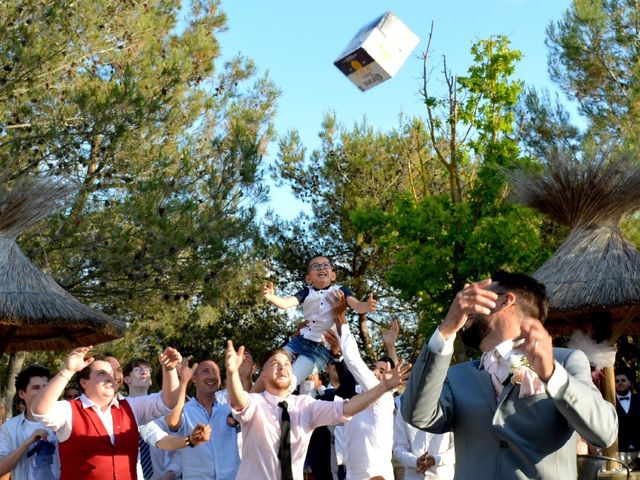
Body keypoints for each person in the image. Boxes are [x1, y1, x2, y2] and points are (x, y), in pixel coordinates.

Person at [401, 271, 618, 479]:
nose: (468, 306)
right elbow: (417, 415)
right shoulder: (457, 377)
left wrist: (552, 375)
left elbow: (604, 433)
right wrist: (445, 331)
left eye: (479, 296)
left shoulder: (565, 361)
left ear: (505, 301)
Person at [225, 338, 411, 480]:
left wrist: (383, 388)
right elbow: (240, 400)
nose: (282, 368)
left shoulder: (306, 406)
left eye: (287, 364)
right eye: (275, 364)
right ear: (263, 375)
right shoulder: (255, 402)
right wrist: (232, 373)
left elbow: (347, 408)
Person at [31, 346, 183, 480]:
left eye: (112, 373)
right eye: (102, 373)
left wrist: (169, 370)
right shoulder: (69, 410)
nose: (111, 378)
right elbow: (39, 410)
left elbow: (168, 402)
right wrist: (68, 370)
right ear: (84, 382)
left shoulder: (131, 406)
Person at [262, 255, 377, 389]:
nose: (321, 268)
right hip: (300, 341)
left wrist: (367, 306)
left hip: (319, 349)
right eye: (315, 266)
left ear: (333, 275)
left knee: (289, 382)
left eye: (325, 265)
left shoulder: (340, 291)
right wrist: (271, 297)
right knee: (271, 367)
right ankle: (250, 400)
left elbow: (356, 305)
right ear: (308, 278)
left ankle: (275, 402)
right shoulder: (307, 292)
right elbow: (286, 303)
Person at [333, 293, 402, 480]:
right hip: (351, 475)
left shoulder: (384, 397)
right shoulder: (356, 394)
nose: (375, 373)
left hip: (375, 476)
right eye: (374, 368)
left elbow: (353, 359)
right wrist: (390, 347)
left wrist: (342, 319)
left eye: (382, 371)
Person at [123, 358, 211, 480]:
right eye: (138, 369)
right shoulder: (120, 409)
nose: (144, 372)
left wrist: (171, 471)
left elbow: (166, 441)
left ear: (151, 382)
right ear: (126, 379)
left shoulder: (164, 409)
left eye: (147, 370)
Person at [168, 358, 241, 479]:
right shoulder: (185, 410)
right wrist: (183, 382)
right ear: (194, 379)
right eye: (206, 371)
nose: (212, 376)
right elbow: (172, 423)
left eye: (215, 372)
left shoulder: (228, 409)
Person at [0, 365, 60, 480]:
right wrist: (27, 443)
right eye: (36, 388)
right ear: (22, 393)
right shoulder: (9, 428)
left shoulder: (63, 421)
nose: (43, 392)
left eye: (46, 387)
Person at [393, 396, 455, 480]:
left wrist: (435, 460)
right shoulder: (404, 410)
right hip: (413, 476)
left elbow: (457, 449)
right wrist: (415, 461)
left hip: (442, 476)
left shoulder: (449, 408)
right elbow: (399, 448)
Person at [615, 367, 640, 452]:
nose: (620, 383)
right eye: (617, 381)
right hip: (618, 450)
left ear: (629, 382)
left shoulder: (638, 399)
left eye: (623, 380)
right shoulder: (609, 402)